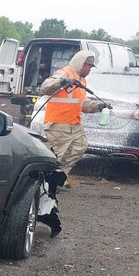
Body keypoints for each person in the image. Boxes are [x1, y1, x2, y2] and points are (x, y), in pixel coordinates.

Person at [39, 50, 109, 187]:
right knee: (56, 155)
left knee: (80, 147)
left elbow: (81, 103)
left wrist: (98, 106)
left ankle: (58, 177)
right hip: (58, 123)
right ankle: (45, 183)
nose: (89, 70)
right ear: (81, 63)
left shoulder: (82, 80)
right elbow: (45, 87)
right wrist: (63, 81)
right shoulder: (65, 73)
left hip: (74, 124)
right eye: (88, 66)